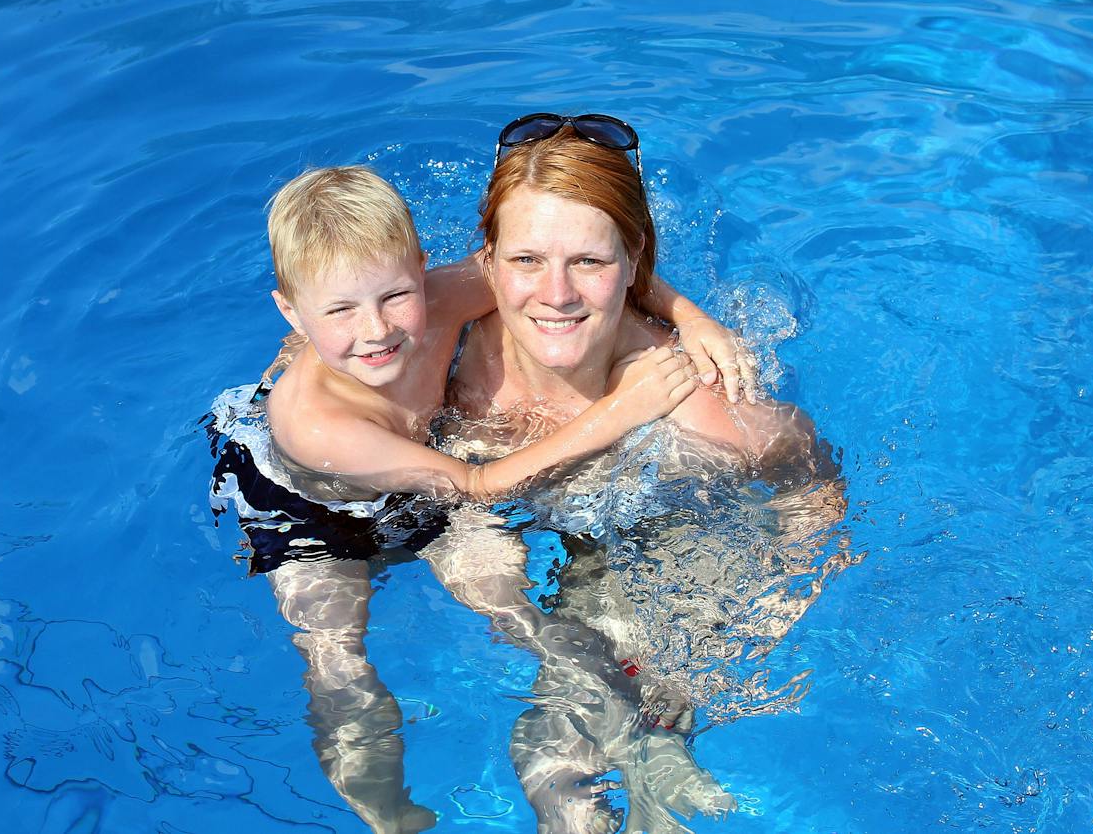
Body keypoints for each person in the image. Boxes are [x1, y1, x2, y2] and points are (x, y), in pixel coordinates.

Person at [209, 164, 748, 834]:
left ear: (423, 272)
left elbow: (575, 267)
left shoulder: (439, 302)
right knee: (338, 656)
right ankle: (388, 815)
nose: (376, 331)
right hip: (311, 508)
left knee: (532, 619)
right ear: (290, 311)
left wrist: (691, 318)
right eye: (339, 311)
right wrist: (618, 413)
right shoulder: (316, 421)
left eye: (394, 296)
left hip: (422, 482)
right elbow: (476, 484)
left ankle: (636, 758)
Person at [436, 113, 850, 833]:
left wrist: (773, 606)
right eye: (527, 261)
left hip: (671, 530)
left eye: (589, 264)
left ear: (633, 264)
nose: (555, 295)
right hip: (550, 531)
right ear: (488, 260)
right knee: (554, 772)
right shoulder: (443, 352)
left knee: (632, 706)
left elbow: (812, 482)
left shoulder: (704, 414)